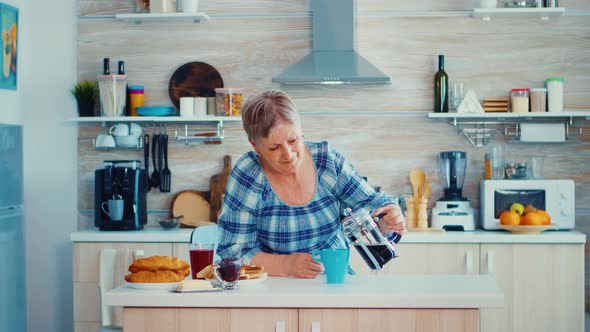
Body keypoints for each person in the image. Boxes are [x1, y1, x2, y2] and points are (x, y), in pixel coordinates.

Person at [216, 89, 406, 278]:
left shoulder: (326, 161)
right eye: (274, 147)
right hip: (275, 287)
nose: (288, 154)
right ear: (254, 145)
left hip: (334, 280)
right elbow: (233, 252)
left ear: (301, 130)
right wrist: (286, 265)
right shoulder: (249, 174)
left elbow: (371, 204)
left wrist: (388, 218)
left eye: (293, 140)